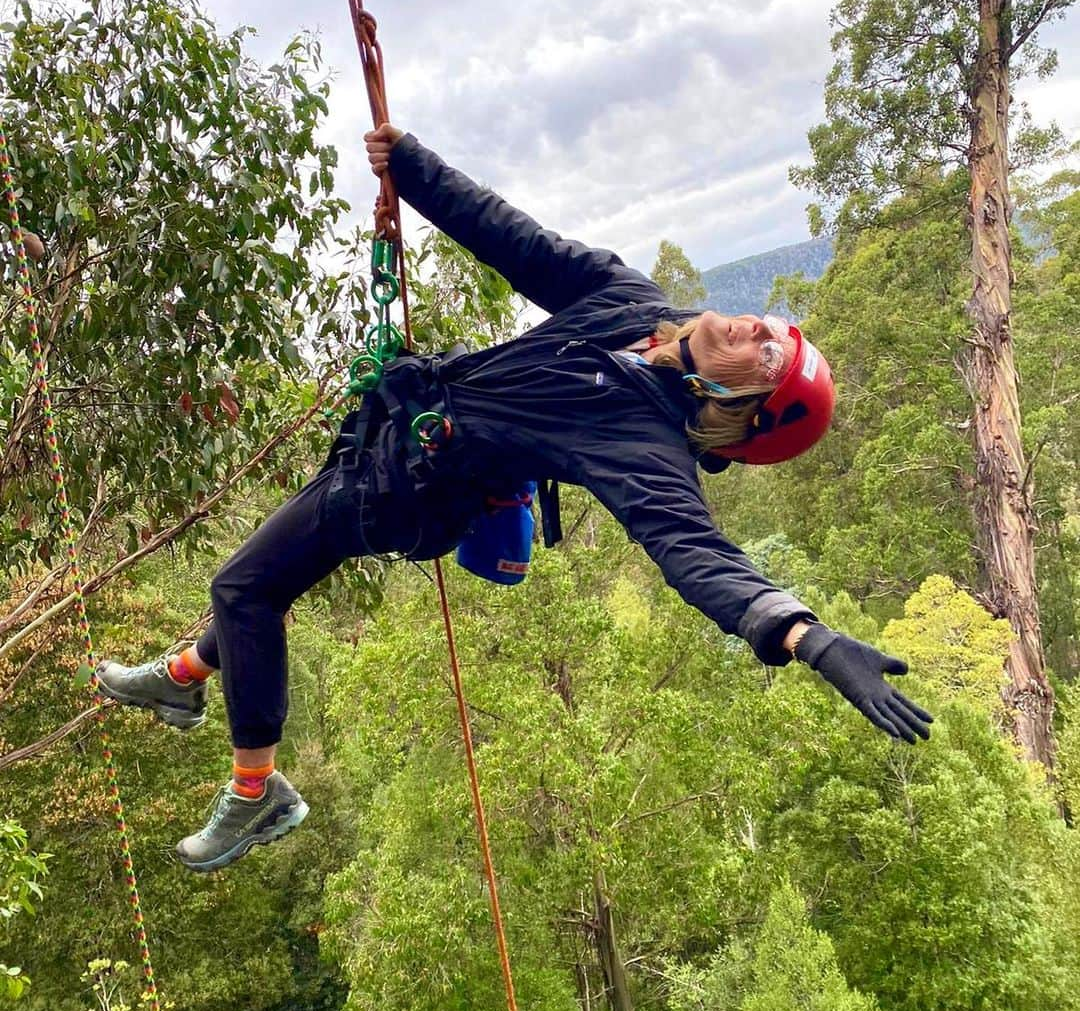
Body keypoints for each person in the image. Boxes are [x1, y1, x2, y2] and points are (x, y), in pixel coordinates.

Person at [96, 124, 933, 873]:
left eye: (771, 358)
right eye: (772, 327)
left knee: (245, 587)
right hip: (390, 440)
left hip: (398, 492)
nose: (758, 330)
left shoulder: (642, 446)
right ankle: (180, 677)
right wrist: (412, 169)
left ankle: (256, 790)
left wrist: (805, 635)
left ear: (743, 404)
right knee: (267, 583)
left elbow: (697, 555)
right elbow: (515, 241)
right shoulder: (629, 303)